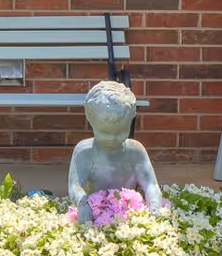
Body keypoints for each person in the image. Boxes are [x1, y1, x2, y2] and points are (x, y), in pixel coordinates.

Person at [65, 80, 162, 224]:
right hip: (95, 218)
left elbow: (151, 185)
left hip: (128, 218)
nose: (112, 138)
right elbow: (75, 186)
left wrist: (155, 210)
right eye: (104, 132)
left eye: (121, 132)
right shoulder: (85, 152)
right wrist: (82, 203)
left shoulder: (135, 151)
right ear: (90, 119)